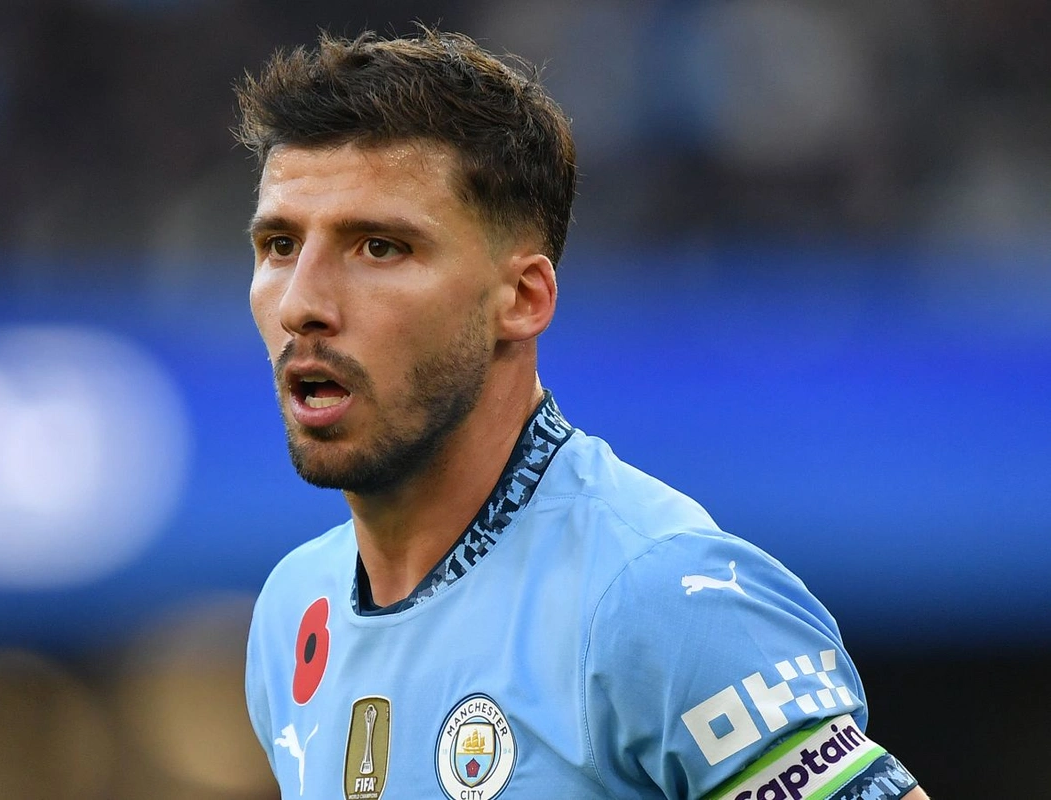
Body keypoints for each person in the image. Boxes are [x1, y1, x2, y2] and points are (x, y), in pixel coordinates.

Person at [237, 26, 929, 800]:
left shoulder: (658, 600)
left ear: (522, 298)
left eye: (379, 247)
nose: (300, 304)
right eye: (280, 245)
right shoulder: (294, 610)